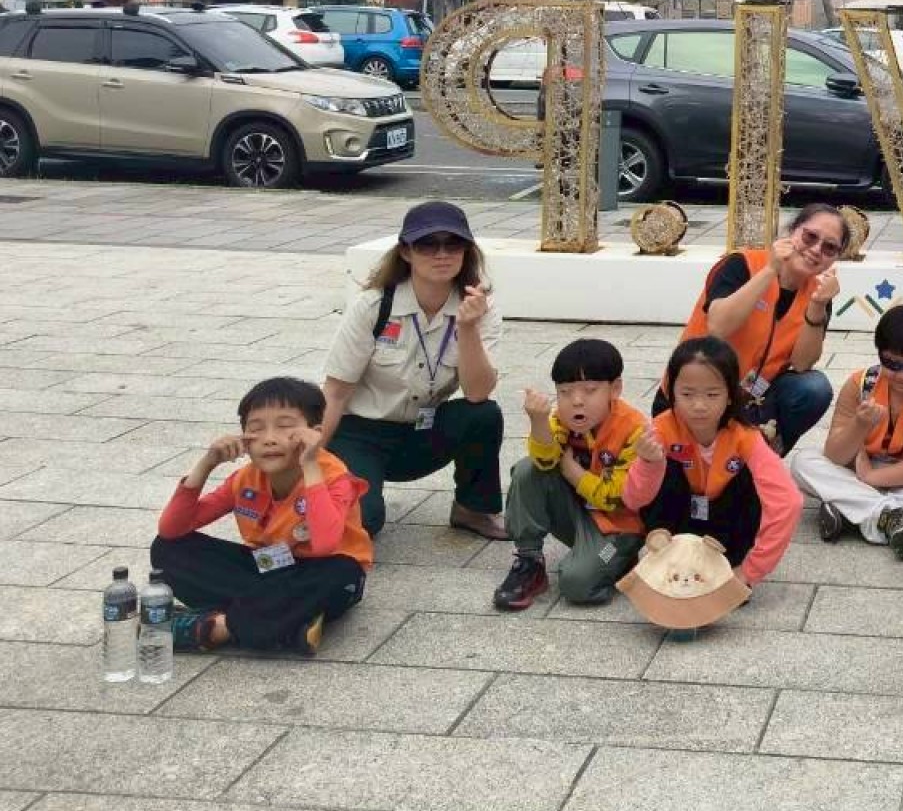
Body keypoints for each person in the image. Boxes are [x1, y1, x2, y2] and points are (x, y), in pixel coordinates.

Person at [319, 201, 506, 539]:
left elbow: (478, 392)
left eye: (453, 243)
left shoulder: (480, 308)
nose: (442, 254)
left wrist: (467, 328)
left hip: (422, 430)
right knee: (364, 523)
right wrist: (307, 460)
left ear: (467, 250)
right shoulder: (374, 305)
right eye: (427, 244)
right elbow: (335, 392)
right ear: (406, 252)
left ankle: (473, 509)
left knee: (484, 414)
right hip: (361, 434)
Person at [150, 376, 371, 656]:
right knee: (167, 548)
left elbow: (325, 544)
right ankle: (288, 623)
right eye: (256, 429)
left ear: (314, 433)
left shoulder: (334, 477)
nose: (269, 439)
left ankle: (218, 627)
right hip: (269, 568)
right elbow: (172, 528)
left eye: (285, 427)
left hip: (320, 572)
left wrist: (310, 463)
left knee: (338, 573)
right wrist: (207, 463)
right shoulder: (245, 478)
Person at [623, 335, 800, 628]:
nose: (699, 406)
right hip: (677, 528)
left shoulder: (745, 435)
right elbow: (633, 499)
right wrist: (647, 463)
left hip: (727, 532)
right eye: (687, 394)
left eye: (712, 394)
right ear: (671, 392)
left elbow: (788, 502)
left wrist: (749, 572)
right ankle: (663, 555)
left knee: (754, 478)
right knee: (661, 464)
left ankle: (726, 565)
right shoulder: (660, 430)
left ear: (730, 395)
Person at [790, 305, 903, 559]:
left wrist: (872, 479)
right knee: (803, 462)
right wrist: (859, 425)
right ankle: (897, 516)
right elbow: (835, 454)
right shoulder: (860, 384)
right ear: (879, 354)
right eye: (892, 364)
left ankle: (852, 509)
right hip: (869, 465)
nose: (902, 375)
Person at [672, 203, 845, 454]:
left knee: (814, 388)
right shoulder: (741, 264)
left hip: (751, 398)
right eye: (810, 237)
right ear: (792, 232)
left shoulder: (819, 293)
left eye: (829, 248)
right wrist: (771, 270)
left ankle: (764, 453)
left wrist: (817, 306)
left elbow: (802, 363)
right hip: (696, 396)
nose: (816, 250)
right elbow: (718, 326)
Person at [492, 338, 648, 612]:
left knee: (578, 584)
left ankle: (619, 560)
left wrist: (571, 470)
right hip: (578, 515)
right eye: (565, 392)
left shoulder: (635, 429)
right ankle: (529, 560)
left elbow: (615, 499)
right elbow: (544, 460)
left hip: (618, 532)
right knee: (528, 469)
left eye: (590, 390)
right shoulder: (563, 418)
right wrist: (539, 421)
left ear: (615, 388)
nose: (576, 401)